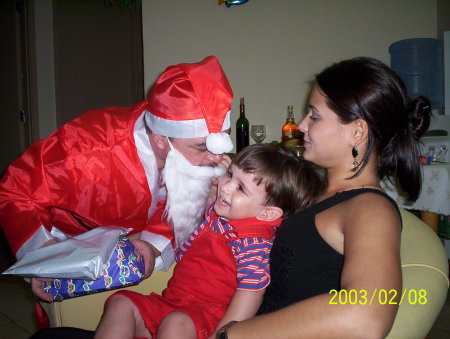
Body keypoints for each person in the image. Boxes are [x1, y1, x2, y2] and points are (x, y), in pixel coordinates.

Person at [220, 57, 431, 338]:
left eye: (315, 116)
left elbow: (367, 314)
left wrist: (232, 334)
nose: (302, 126)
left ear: (357, 132)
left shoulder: (369, 208)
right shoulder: (317, 193)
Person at [0, 55, 234, 304]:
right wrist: (45, 256)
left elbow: (179, 202)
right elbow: (14, 191)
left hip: (133, 258)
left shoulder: (186, 151)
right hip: (73, 251)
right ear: (159, 139)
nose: (217, 158)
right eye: (200, 147)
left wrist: (151, 244)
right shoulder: (86, 150)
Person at [94, 144, 324, 339]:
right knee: (121, 303)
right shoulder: (221, 212)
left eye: (241, 188)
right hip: (172, 301)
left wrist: (224, 333)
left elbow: (252, 290)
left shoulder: (254, 240)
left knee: (176, 323)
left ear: (267, 214)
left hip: (207, 316)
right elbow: (188, 247)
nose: (226, 186)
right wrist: (210, 194)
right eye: (230, 175)